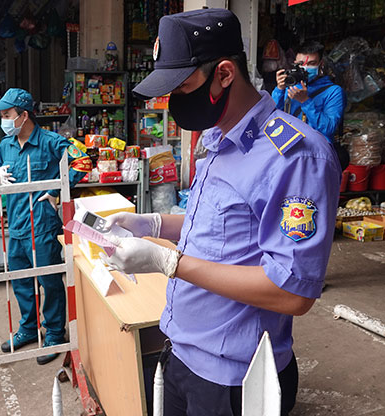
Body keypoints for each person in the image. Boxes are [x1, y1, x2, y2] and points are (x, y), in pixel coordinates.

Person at [102, 9, 340, 415]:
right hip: (180, 352)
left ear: (225, 73)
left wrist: (167, 262)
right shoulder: (218, 138)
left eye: (183, 86)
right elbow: (217, 226)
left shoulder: (296, 157)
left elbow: (292, 291)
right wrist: (153, 223)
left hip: (235, 379)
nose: (175, 100)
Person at [0, 88, 91, 365]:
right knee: (21, 281)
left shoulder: (52, 142)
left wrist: (59, 190)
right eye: (1, 115)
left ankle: (55, 333)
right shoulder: (5, 145)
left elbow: (83, 160)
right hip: (16, 224)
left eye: (7, 115)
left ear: (23, 115)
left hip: (42, 225)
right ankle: (29, 329)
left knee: (49, 281)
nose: (3, 120)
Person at [271, 41, 346, 145]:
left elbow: (329, 128)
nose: (305, 68)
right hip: (289, 146)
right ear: (295, 63)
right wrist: (279, 89)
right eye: (301, 64)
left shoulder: (333, 91)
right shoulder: (290, 85)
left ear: (321, 64)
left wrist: (305, 101)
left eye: (311, 63)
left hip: (316, 150)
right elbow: (272, 117)